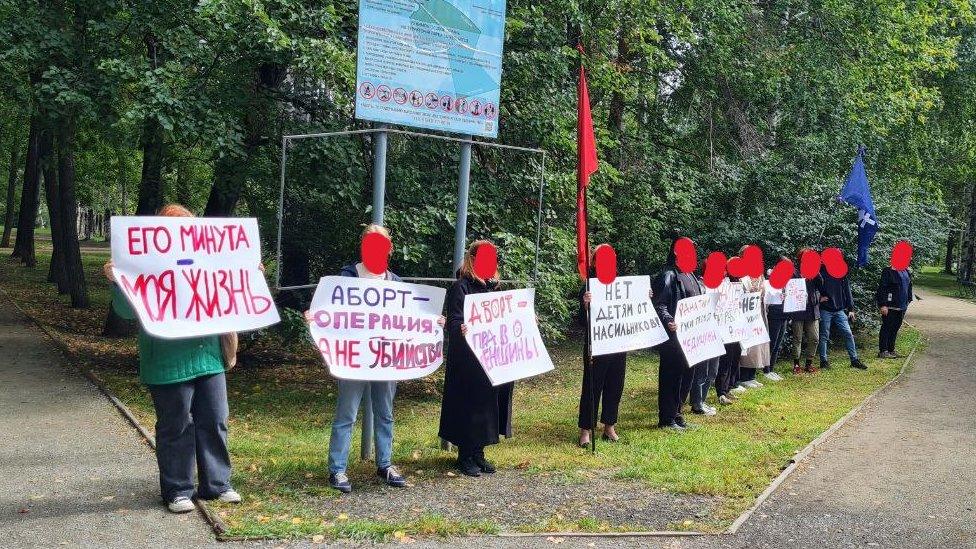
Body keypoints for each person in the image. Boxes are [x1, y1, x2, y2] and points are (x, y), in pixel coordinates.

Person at [102, 204, 242, 513]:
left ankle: (217, 485)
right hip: (166, 362)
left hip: (207, 356)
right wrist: (117, 280)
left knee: (215, 419)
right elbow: (126, 312)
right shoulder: (145, 267)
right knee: (176, 424)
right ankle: (178, 489)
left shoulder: (207, 262)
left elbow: (230, 293)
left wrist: (245, 272)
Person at [311, 224, 441, 493]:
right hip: (354, 359)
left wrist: (433, 321)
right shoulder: (345, 279)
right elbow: (329, 311)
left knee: (385, 413)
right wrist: (316, 316)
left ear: (389, 249)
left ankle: (385, 464)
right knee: (346, 414)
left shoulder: (397, 284)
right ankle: (337, 470)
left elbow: (413, 319)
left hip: (386, 360)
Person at [439, 240, 514, 476]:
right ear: (473, 259)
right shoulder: (461, 287)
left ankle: (479, 452)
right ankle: (465, 455)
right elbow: (453, 320)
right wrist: (461, 328)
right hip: (467, 360)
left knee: (487, 406)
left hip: (489, 359)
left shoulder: (492, 289)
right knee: (468, 406)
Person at [652, 237, 711, 430]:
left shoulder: (691, 275)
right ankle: (666, 419)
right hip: (673, 339)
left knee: (687, 375)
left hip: (691, 338)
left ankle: (677, 413)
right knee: (671, 377)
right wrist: (669, 320)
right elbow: (659, 304)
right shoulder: (668, 275)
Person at [578, 245, 630, 446]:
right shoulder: (589, 286)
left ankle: (609, 426)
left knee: (615, 385)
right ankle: (585, 430)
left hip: (618, 344)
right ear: (595, 262)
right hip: (596, 345)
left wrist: (645, 296)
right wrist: (585, 305)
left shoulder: (622, 285)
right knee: (592, 386)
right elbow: (582, 321)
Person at [817, 260, 868, 370]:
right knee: (824, 336)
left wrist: (851, 309)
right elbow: (813, 287)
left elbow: (847, 290)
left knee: (848, 333)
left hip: (839, 310)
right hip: (825, 309)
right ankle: (823, 361)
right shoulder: (820, 272)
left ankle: (854, 360)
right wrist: (818, 298)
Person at [787, 248, 823, 374]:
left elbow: (821, 284)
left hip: (812, 309)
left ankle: (809, 363)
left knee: (814, 338)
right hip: (798, 309)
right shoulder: (794, 272)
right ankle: (796, 364)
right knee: (797, 338)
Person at [876, 247, 914, 358]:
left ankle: (891, 350)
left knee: (895, 327)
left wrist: (908, 299)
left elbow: (909, 286)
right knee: (887, 327)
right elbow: (882, 288)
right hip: (890, 305)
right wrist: (883, 304)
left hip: (902, 306)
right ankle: (883, 351)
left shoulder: (906, 271)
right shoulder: (888, 271)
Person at [739, 266, 772, 385]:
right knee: (748, 347)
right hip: (746, 316)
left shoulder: (760, 275)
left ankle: (752, 376)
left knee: (758, 344)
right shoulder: (741, 276)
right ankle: (744, 377)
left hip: (758, 314)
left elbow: (764, 292)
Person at [762, 259, 789, 381]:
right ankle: (766, 369)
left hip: (784, 314)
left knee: (778, 343)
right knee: (772, 342)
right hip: (773, 314)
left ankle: (771, 368)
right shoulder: (769, 281)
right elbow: (766, 299)